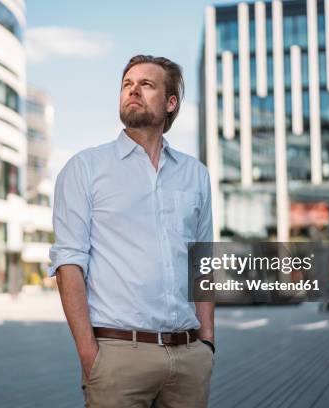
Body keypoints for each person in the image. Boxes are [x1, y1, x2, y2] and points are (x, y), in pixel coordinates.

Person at [49, 55, 215, 407]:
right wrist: (89, 356)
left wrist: (208, 343)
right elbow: (68, 265)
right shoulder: (85, 169)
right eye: (127, 84)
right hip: (117, 357)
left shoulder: (195, 174)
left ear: (171, 103)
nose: (133, 90)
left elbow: (202, 261)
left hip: (188, 357)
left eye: (146, 84)